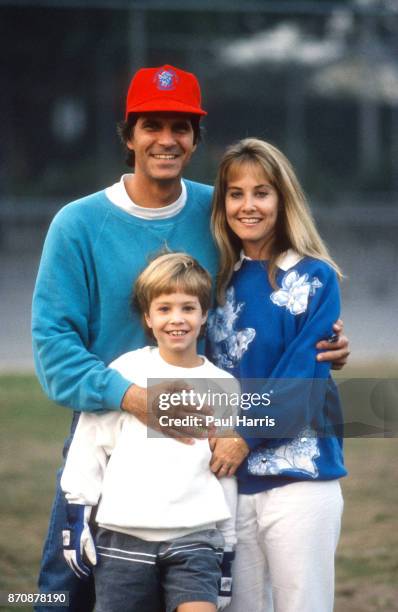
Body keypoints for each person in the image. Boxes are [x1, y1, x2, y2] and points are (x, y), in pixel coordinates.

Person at [31, 64, 349, 611]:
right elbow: (55, 353)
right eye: (151, 125)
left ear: (196, 138)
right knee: (67, 592)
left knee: (191, 592)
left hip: (203, 444)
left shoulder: (220, 208)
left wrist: (322, 334)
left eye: (181, 127)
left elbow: (272, 285)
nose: (166, 139)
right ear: (128, 135)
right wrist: (142, 401)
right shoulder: (77, 224)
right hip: (112, 434)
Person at [206, 138, 348, 612]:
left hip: (299, 480)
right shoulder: (214, 281)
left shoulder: (314, 277)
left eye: (262, 192)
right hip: (226, 482)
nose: (248, 205)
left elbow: (301, 376)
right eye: (235, 193)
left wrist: (244, 434)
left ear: (283, 199)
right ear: (222, 203)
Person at [60, 252, 238, 612]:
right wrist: (77, 515)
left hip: (196, 537)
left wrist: (229, 549)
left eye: (188, 308)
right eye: (164, 308)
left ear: (205, 315)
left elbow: (224, 471)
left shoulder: (222, 385)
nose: (177, 319)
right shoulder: (126, 371)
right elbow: (89, 446)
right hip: (124, 539)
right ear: (148, 316)